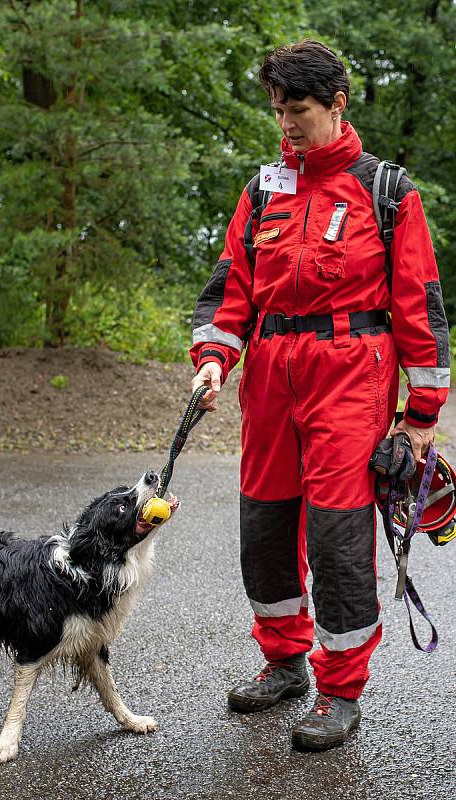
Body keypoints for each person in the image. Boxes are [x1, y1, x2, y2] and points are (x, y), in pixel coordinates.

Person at [189, 40, 450, 751]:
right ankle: (284, 663)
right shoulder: (263, 189)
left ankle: (339, 688)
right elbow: (228, 290)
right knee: (265, 527)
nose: (286, 123)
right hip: (270, 377)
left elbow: (421, 305)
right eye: (278, 109)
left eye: (298, 109)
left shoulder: (386, 191)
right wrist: (214, 358)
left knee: (337, 537)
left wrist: (421, 415)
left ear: (338, 103)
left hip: (351, 375)